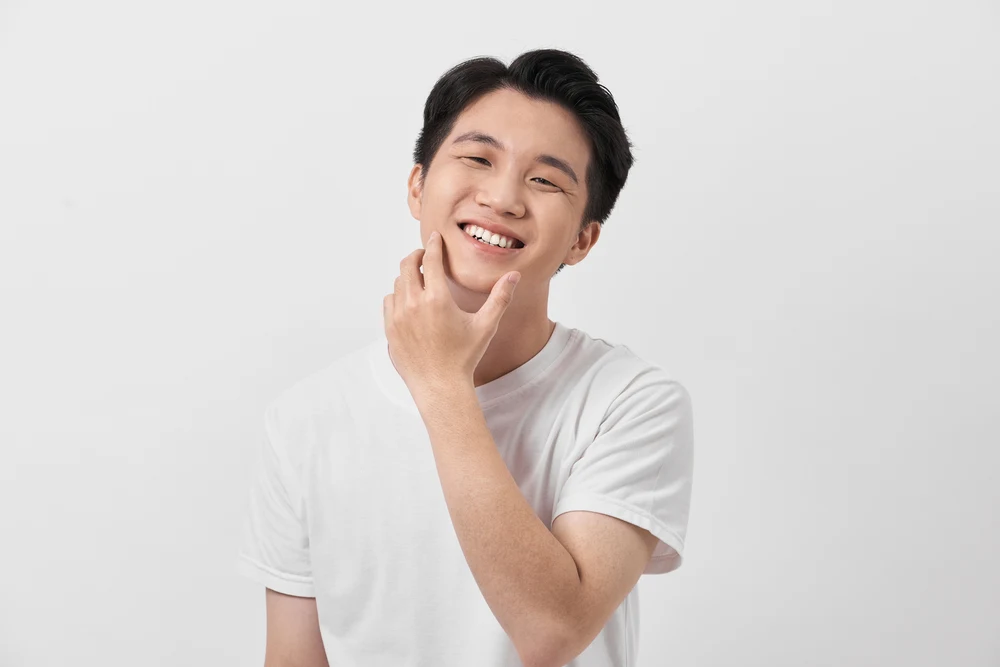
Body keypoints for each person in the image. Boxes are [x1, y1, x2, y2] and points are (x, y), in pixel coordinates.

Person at [236, 48, 695, 667]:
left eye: (545, 180)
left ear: (583, 238)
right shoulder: (304, 421)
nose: (503, 198)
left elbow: (552, 633)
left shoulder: (628, 402)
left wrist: (441, 384)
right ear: (418, 185)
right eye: (477, 159)